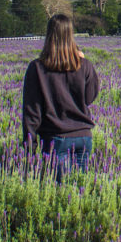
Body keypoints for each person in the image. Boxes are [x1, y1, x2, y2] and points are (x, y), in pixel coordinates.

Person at [22, 14, 99, 179]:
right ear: (71, 35)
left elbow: (32, 112)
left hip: (56, 139)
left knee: (60, 192)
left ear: (49, 36)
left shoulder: (36, 68)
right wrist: (83, 62)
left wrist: (30, 147)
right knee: (78, 190)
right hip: (83, 137)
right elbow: (89, 98)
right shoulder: (84, 65)